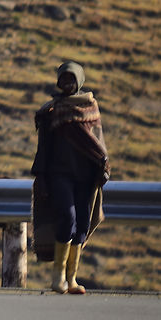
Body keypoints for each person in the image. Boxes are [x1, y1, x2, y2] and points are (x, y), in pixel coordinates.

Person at [31, 61, 110, 294]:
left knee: (82, 224)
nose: (67, 83)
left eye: (71, 79)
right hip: (59, 175)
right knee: (67, 218)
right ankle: (58, 278)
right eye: (63, 79)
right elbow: (43, 148)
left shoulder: (91, 108)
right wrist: (42, 177)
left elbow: (98, 144)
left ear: (80, 81)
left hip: (86, 178)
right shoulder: (50, 112)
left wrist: (103, 166)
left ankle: (71, 279)